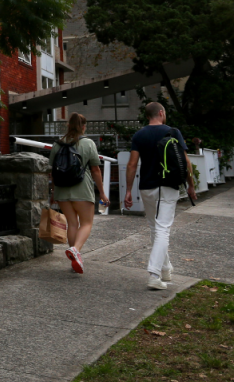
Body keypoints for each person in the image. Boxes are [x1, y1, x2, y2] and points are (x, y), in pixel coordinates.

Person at [124, 102, 197, 290]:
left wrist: (128, 190)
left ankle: (165, 269)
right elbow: (186, 161)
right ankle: (154, 275)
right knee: (163, 229)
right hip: (168, 186)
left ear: (148, 115)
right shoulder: (173, 132)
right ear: (161, 113)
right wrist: (191, 186)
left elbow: (132, 164)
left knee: (154, 228)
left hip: (146, 187)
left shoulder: (139, 135)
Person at [49, 113, 110, 274]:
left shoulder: (57, 144)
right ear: (83, 127)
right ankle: (76, 250)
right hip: (82, 189)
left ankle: (74, 258)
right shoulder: (88, 143)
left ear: (68, 126)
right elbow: (95, 169)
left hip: (62, 191)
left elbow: (53, 172)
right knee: (87, 223)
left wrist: (54, 192)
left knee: (72, 223)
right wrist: (102, 193)